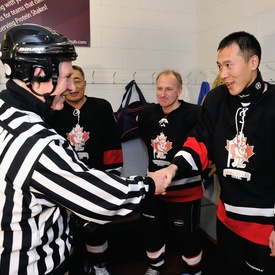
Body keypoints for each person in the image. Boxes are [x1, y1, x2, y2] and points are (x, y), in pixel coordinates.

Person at [0, 23, 168, 275]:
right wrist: (150, 184)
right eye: (66, 77)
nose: (70, 88)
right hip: (31, 265)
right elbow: (99, 200)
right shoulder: (36, 141)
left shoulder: (5, 113)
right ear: (37, 73)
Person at [153, 31, 275, 275]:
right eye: (220, 66)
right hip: (227, 218)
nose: (223, 74)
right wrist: (173, 168)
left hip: (265, 226)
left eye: (229, 65)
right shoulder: (216, 99)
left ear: (253, 63)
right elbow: (201, 142)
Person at [45, 65, 123, 275]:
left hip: (96, 179)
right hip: (66, 182)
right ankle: (72, 266)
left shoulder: (101, 107)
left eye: (78, 80)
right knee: (65, 230)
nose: (73, 87)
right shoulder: (54, 110)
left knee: (96, 229)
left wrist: (113, 176)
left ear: (85, 83)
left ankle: (99, 266)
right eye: (69, 81)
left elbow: (112, 142)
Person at [137, 70, 203, 275]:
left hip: (185, 191)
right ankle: (155, 266)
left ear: (180, 91)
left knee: (187, 236)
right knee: (151, 232)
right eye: (159, 88)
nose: (162, 94)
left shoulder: (195, 114)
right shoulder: (147, 115)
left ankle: (194, 271)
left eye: (169, 89)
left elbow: (201, 150)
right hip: (155, 190)